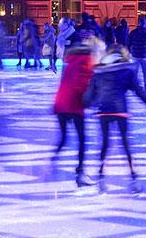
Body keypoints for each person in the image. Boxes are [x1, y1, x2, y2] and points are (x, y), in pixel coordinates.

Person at [83, 45, 146, 192]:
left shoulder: (98, 71)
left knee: (105, 143)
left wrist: (84, 105)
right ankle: (133, 178)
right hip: (120, 110)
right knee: (125, 143)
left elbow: (89, 96)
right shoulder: (127, 71)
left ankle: (101, 176)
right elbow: (140, 93)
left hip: (104, 110)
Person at [52, 36, 99, 185]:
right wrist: (90, 101)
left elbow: (65, 82)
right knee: (82, 139)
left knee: (65, 136)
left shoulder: (70, 61)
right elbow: (82, 84)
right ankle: (80, 173)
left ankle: (53, 159)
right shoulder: (87, 61)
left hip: (60, 103)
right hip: (74, 104)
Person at [127, 18, 146, 90]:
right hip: (144, 55)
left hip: (135, 55)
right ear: (145, 24)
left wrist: (128, 51)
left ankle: (135, 85)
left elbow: (128, 43)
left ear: (139, 23)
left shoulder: (133, 32)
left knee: (135, 72)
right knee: (145, 72)